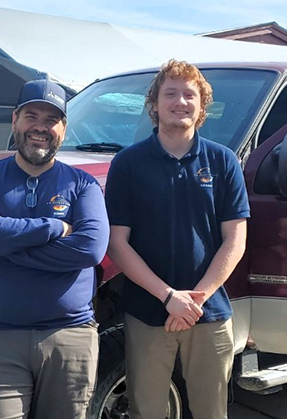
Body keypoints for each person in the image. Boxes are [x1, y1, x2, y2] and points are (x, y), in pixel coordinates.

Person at [0, 79, 110, 419]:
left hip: (69, 336)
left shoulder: (82, 184)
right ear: (14, 120)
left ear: (63, 128)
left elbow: (90, 249)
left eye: (51, 120)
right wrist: (54, 228)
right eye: (31, 116)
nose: (40, 127)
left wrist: (1, 240)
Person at [105, 59, 250, 419]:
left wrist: (195, 300)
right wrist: (169, 297)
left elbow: (235, 240)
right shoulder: (128, 163)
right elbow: (117, 243)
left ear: (202, 106)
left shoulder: (223, 161)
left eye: (190, 95)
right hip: (147, 312)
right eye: (170, 93)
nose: (180, 102)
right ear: (154, 104)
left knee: (211, 412)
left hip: (208, 312)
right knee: (146, 411)